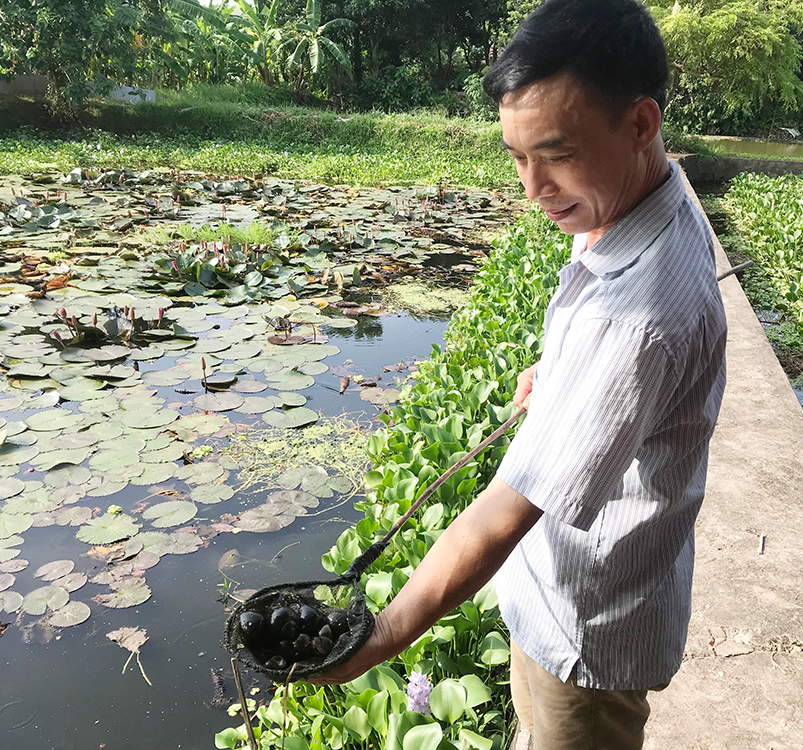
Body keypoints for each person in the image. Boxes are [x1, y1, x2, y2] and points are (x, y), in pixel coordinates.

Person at [310, 1, 727, 747]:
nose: (533, 187)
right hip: (552, 595)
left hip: (586, 630)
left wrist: (381, 639)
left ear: (640, 123)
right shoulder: (633, 197)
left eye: (556, 154)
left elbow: (504, 512)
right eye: (516, 155)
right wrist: (561, 370)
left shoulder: (635, 321)